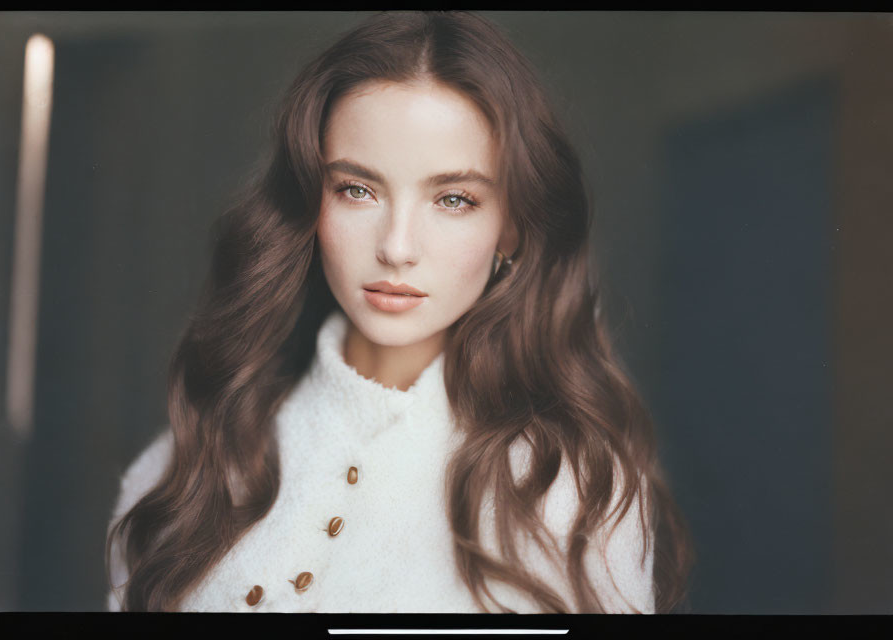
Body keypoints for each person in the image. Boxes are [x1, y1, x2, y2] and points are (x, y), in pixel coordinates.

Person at [105, 10, 692, 613]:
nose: (396, 246)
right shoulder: (181, 473)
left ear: (512, 228)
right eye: (357, 190)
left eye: (454, 199)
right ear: (309, 204)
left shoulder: (574, 490)